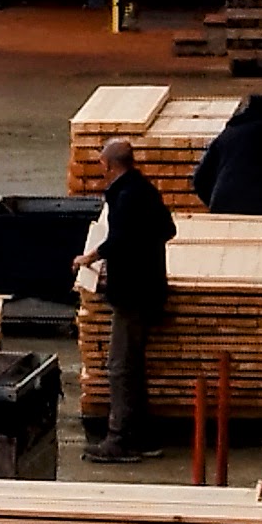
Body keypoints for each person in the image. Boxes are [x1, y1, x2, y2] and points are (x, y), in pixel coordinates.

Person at [77, 135, 177, 462]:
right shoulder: (145, 190)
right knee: (133, 365)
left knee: (119, 367)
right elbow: (167, 229)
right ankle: (142, 436)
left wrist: (92, 257)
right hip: (149, 288)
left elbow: (120, 239)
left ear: (108, 164)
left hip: (131, 294)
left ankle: (119, 440)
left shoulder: (125, 196)